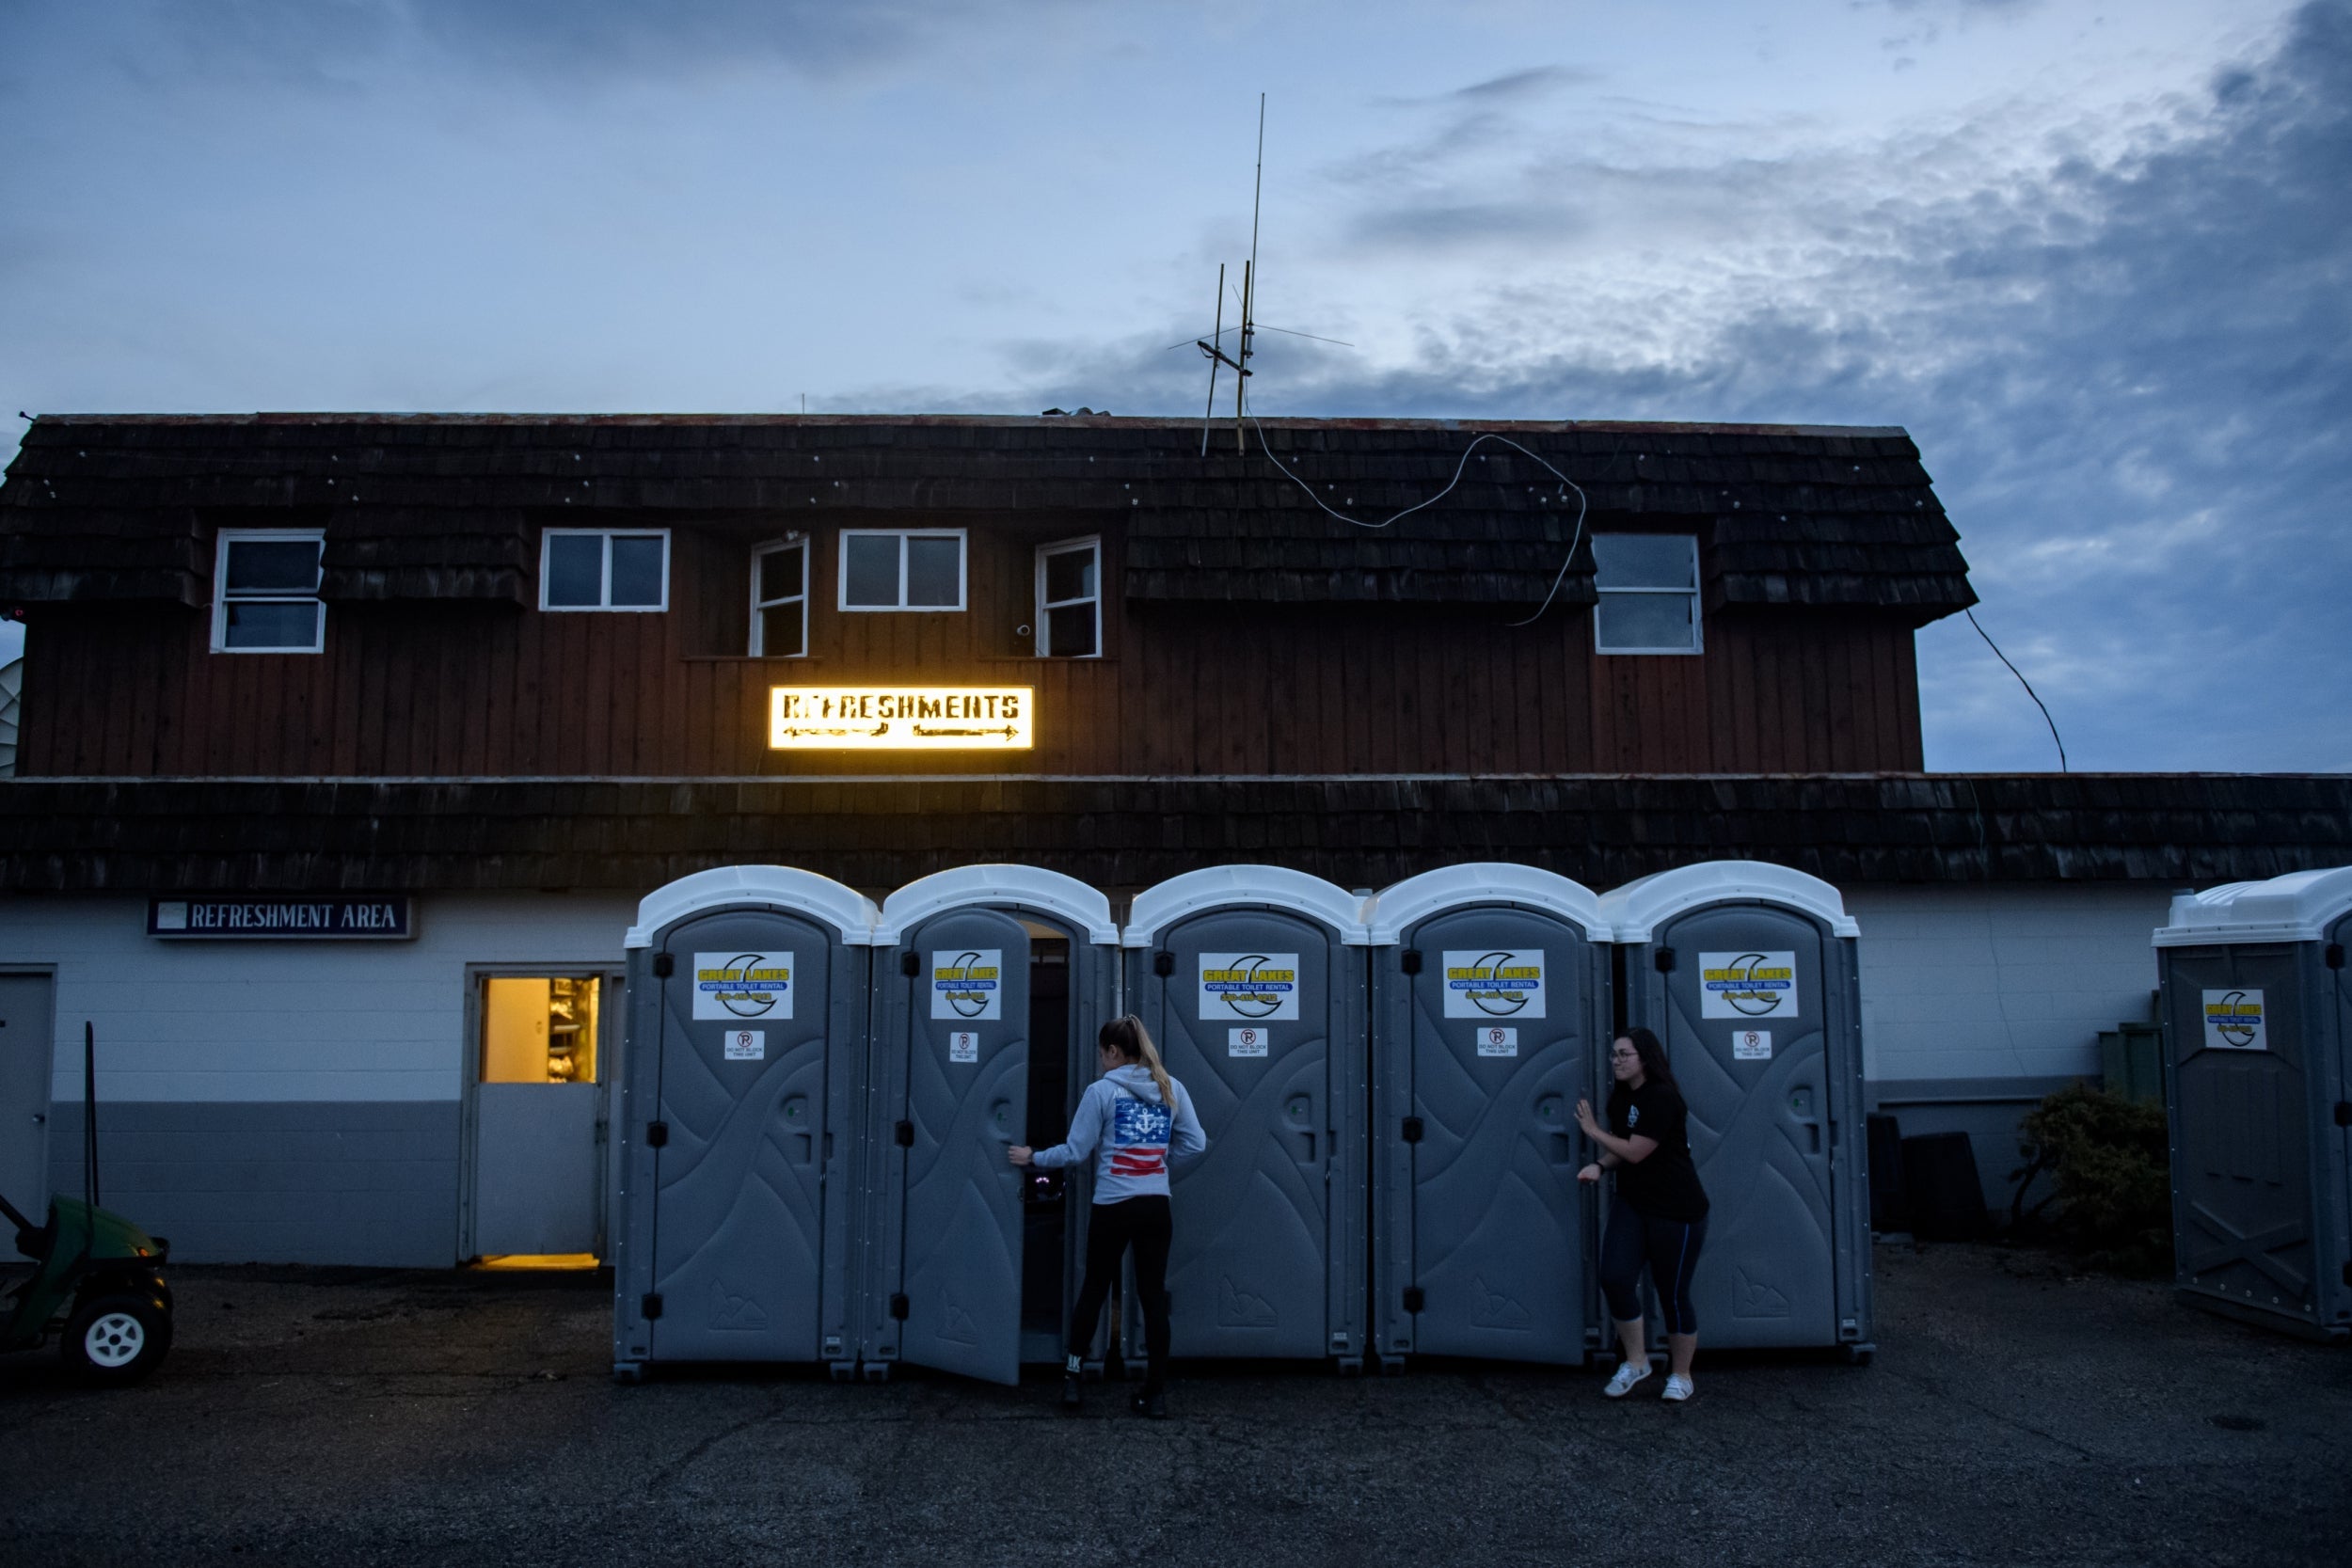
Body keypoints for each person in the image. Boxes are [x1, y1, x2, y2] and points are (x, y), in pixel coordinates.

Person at [1009, 1013, 1206, 1418]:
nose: (1102, 1062)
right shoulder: (1171, 1088)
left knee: (1095, 1290)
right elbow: (1197, 1143)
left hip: (1113, 1206)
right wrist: (1160, 1162)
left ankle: (1072, 1379)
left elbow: (1075, 1152)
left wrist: (1034, 1157)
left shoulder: (1102, 1092)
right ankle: (1154, 1395)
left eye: (1103, 1054)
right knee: (1152, 1298)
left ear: (1114, 1052)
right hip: (1155, 1206)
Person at [1576, 1026, 1710, 1402]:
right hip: (1634, 1204)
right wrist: (1601, 1167)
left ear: (1645, 1059)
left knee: (1673, 1294)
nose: (1616, 1061)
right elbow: (1624, 1149)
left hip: (1678, 1211)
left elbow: (1636, 1151)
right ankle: (1637, 1362)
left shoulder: (1662, 1097)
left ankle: (1682, 1375)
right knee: (1615, 1277)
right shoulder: (1621, 1098)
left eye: (1624, 1055)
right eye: (1614, 1054)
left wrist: (1592, 1131)